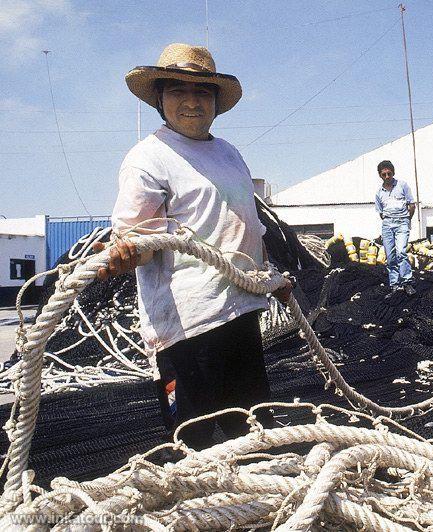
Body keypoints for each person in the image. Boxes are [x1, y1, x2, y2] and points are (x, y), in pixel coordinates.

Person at [94, 43, 291, 450]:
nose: (191, 102)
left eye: (202, 92)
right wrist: (125, 256)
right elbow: (140, 240)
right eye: (178, 91)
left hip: (240, 309)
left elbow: (245, 226)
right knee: (192, 440)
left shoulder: (228, 153)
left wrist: (271, 280)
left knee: (255, 431)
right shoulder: (148, 159)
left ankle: (260, 506)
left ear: (216, 102)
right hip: (189, 323)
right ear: (160, 100)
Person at [374, 160, 416, 295]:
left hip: (402, 222)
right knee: (390, 256)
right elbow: (381, 212)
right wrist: (388, 221)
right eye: (384, 174)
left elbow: (411, 205)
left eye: (389, 173)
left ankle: (407, 282)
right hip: (387, 224)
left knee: (401, 252)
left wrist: (406, 220)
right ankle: (394, 283)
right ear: (380, 175)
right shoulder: (379, 193)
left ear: (393, 173)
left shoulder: (402, 186)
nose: (387, 177)